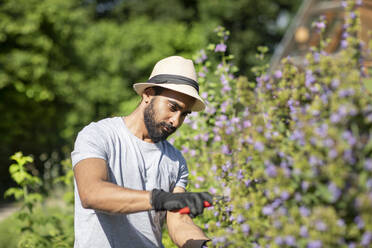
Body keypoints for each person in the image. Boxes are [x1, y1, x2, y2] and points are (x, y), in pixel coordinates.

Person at [71, 56, 213, 248]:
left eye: (184, 114)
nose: (176, 121)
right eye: (173, 107)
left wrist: (203, 246)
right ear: (148, 94)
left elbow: (179, 222)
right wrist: (161, 199)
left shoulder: (176, 161)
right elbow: (91, 193)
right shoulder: (99, 135)